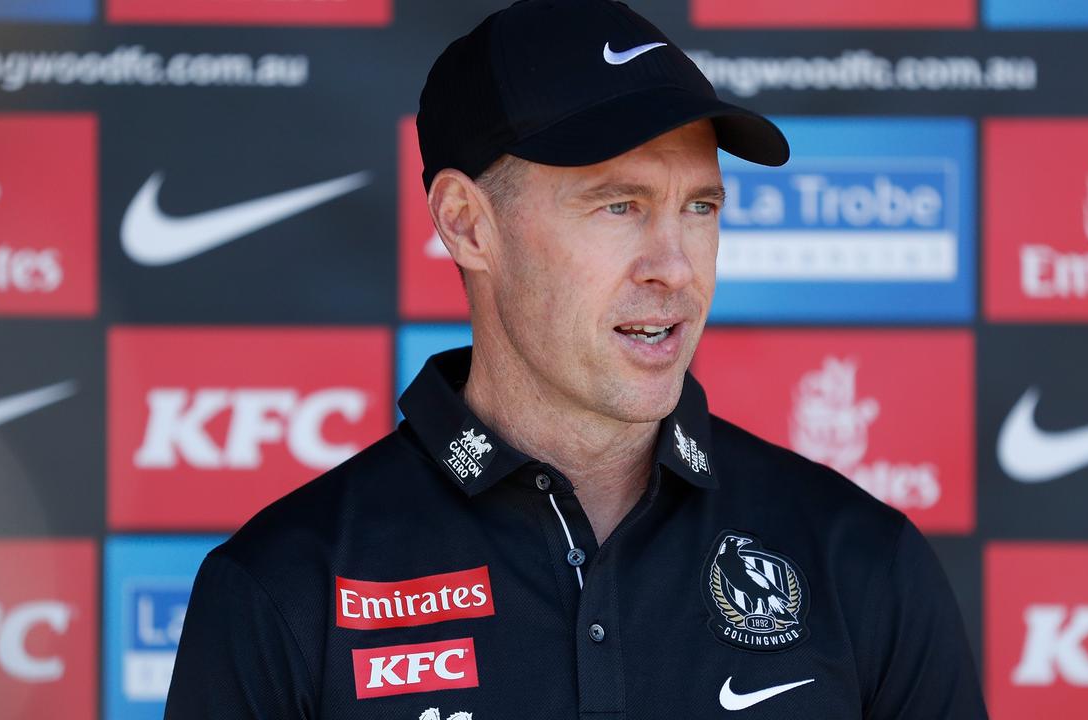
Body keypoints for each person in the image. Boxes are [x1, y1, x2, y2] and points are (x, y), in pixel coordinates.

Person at [165, 1, 989, 718]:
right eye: (620, 204)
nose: (675, 266)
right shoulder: (284, 589)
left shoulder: (861, 561)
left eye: (699, 207)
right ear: (467, 224)